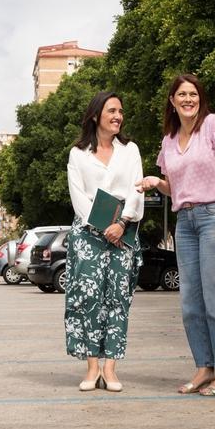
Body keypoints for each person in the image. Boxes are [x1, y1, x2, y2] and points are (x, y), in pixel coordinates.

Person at [135, 74, 215, 397]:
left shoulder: (212, 125)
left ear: (200, 98)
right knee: (190, 302)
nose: (187, 99)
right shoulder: (169, 140)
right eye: (181, 94)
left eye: (192, 94)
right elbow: (176, 186)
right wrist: (157, 183)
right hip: (186, 221)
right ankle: (205, 367)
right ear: (172, 101)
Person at [65, 91, 144, 393]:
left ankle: (110, 369)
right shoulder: (77, 153)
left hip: (123, 232)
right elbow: (79, 197)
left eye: (121, 111)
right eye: (112, 110)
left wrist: (121, 224)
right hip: (88, 235)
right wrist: (103, 226)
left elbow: (137, 190)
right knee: (87, 300)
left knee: (118, 300)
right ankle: (91, 368)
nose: (118, 116)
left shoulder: (130, 150)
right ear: (96, 115)